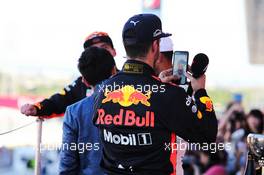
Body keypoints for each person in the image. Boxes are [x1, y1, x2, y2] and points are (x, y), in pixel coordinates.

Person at [92, 13, 218, 175]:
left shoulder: (104, 89)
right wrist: (200, 92)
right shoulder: (169, 95)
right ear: (155, 46)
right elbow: (207, 136)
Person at [20, 31, 116, 118]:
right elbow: (57, 102)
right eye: (93, 49)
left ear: (114, 51)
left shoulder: (127, 80)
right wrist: (37, 108)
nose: (99, 53)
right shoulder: (80, 84)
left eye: (104, 48)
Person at [59, 46, 117, 174]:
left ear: (84, 80)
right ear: (114, 71)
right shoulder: (139, 103)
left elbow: (67, 163)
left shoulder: (73, 112)